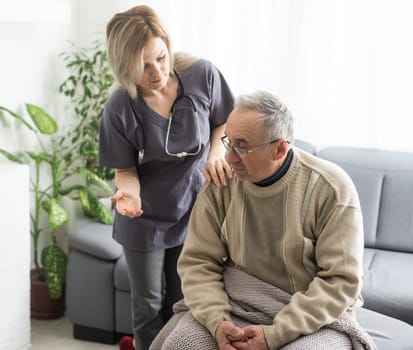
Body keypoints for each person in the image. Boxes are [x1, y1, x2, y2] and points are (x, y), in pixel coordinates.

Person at [150, 90, 376, 350]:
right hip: (237, 301)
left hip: (313, 315)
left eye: (242, 146)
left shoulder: (331, 188)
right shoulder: (222, 182)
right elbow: (198, 262)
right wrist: (217, 322)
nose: (228, 158)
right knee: (183, 344)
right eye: (228, 142)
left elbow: (340, 282)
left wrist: (275, 335)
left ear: (279, 149)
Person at [98, 5, 235, 350]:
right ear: (124, 64)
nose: (157, 71)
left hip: (193, 211)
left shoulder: (202, 75)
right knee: (148, 308)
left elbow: (224, 122)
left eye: (160, 57)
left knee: (184, 302)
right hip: (142, 219)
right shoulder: (120, 107)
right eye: (143, 65)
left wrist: (216, 152)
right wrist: (129, 195)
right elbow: (125, 170)